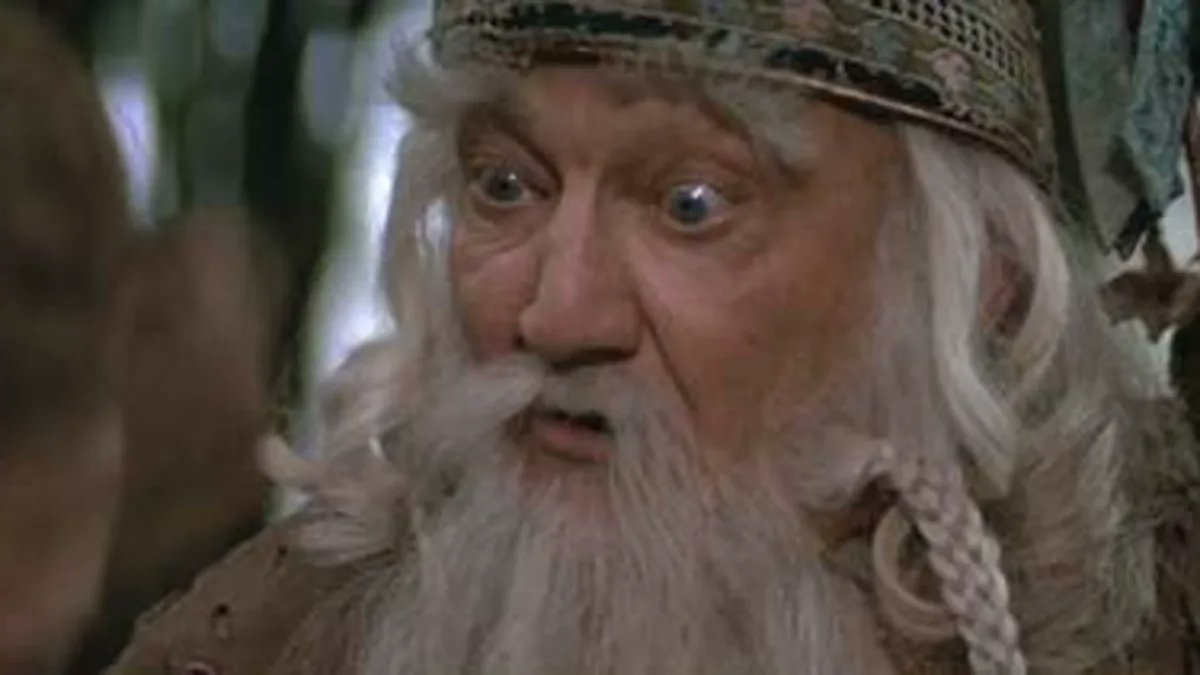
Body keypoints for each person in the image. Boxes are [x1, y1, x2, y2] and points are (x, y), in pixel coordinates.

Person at [111, 1, 1200, 673]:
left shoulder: (1158, 628)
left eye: (691, 205)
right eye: (505, 186)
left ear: (982, 280)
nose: (556, 314)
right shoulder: (260, 647)